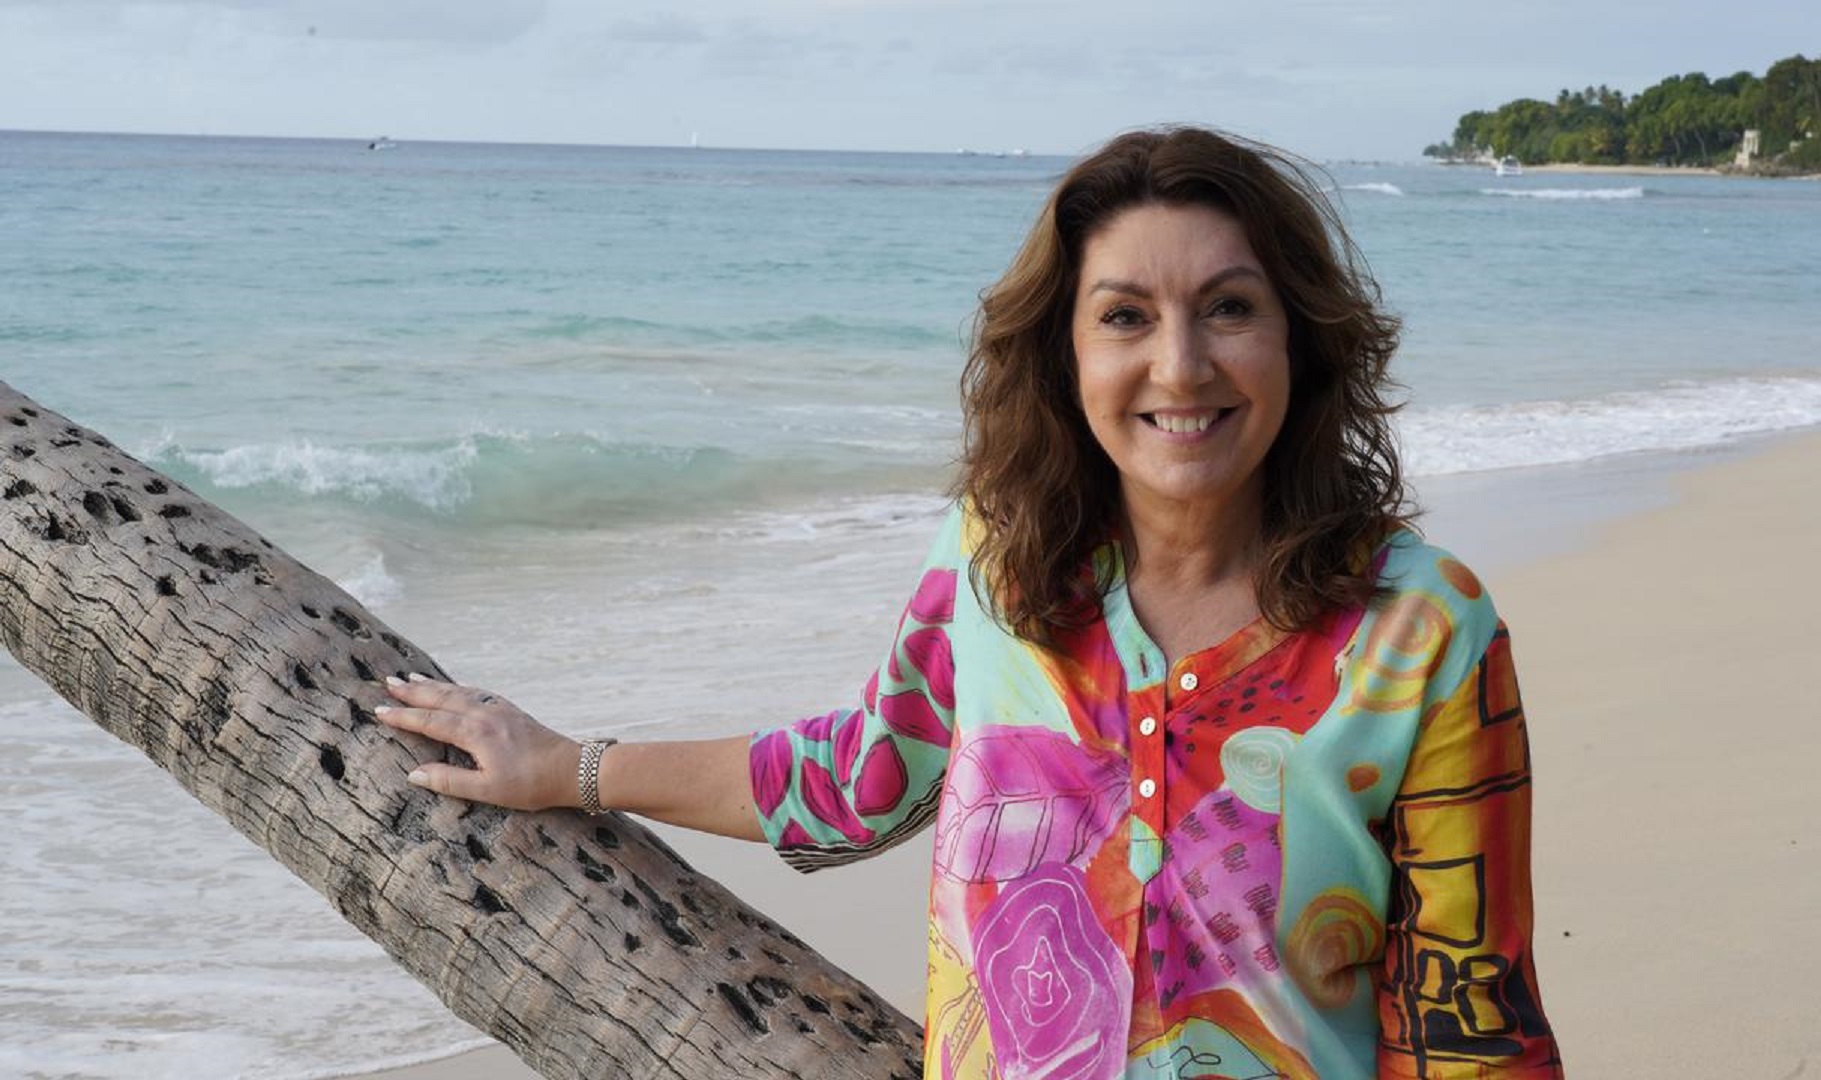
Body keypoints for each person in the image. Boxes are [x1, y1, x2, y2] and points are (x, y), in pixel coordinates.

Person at [376, 126, 1563, 1079]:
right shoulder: (1000, 563)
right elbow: (861, 781)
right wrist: (570, 768)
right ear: (1066, 355)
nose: (1182, 364)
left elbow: (1471, 1026)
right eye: (1125, 317)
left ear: (1300, 339)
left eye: (1231, 307)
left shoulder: (1419, 633)